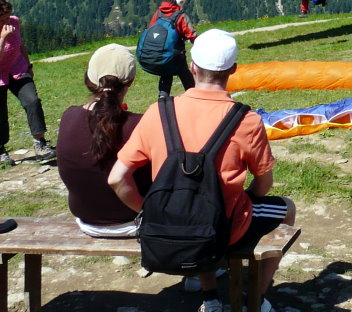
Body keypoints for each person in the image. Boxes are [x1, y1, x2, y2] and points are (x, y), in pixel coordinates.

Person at [109, 30, 296, 312]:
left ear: (193, 67)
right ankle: (255, 297)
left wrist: (148, 212)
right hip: (223, 230)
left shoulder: (159, 111)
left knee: (194, 203)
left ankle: (210, 296)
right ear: (232, 70)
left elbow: (116, 178)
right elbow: (263, 185)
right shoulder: (246, 120)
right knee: (285, 209)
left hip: (169, 223)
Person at [57, 44, 148, 237]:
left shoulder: (69, 117)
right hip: (134, 221)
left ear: (89, 80)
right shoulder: (140, 124)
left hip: (87, 221)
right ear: (130, 81)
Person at [0, 0, 55, 164]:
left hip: (18, 69)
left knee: (32, 101)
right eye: (2, 19)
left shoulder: (15, 22)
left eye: (8, 17)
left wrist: (28, 64)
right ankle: (1, 151)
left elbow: (20, 44)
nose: (6, 21)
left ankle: (40, 144)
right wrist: (2, 38)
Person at [147, 0, 196, 99]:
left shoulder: (158, 13)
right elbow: (191, 35)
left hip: (162, 55)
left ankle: (162, 101)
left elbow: (151, 29)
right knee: (186, 77)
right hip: (176, 56)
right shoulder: (180, 16)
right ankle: (194, 98)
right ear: (181, 2)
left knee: (166, 77)